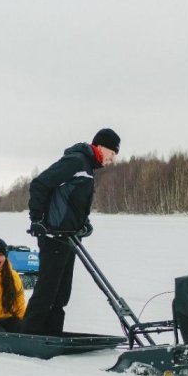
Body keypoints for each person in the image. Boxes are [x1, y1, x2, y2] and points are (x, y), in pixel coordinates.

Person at [22, 127, 120, 336]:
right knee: (47, 291)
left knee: (61, 293)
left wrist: (83, 223)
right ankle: (29, 334)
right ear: (100, 147)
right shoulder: (76, 161)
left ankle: (52, 332)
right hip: (53, 235)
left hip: (69, 237)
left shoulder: (87, 167)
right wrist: (37, 219)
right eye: (112, 154)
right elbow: (39, 184)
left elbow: (72, 201)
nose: (112, 160)